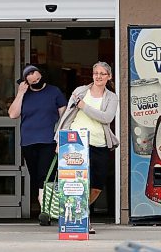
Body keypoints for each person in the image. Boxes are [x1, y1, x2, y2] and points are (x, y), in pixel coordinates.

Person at [55, 61, 119, 234]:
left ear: (109, 77)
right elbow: (67, 117)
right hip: (76, 142)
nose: (98, 76)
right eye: (95, 73)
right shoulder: (80, 92)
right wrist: (60, 141)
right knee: (78, 182)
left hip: (99, 143)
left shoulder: (111, 97)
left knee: (97, 185)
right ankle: (82, 218)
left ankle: (78, 211)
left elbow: (107, 118)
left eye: (102, 74)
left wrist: (85, 106)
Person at [8, 64, 67, 213]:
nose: (36, 81)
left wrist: (61, 139)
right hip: (28, 141)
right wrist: (20, 93)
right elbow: (13, 114)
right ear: (26, 81)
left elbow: (64, 117)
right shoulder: (25, 94)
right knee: (36, 175)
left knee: (45, 175)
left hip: (49, 140)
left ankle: (45, 209)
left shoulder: (54, 92)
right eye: (32, 80)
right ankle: (44, 203)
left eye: (38, 77)